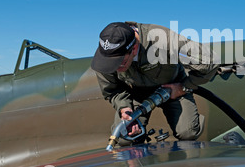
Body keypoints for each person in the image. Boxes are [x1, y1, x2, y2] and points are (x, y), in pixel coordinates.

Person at [91, 21, 219, 145]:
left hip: (173, 87)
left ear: (134, 49)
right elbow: (112, 90)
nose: (115, 68)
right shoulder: (105, 58)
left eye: (120, 63)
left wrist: (184, 87)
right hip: (137, 92)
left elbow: (209, 61)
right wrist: (124, 107)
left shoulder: (162, 38)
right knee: (124, 137)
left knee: (187, 132)